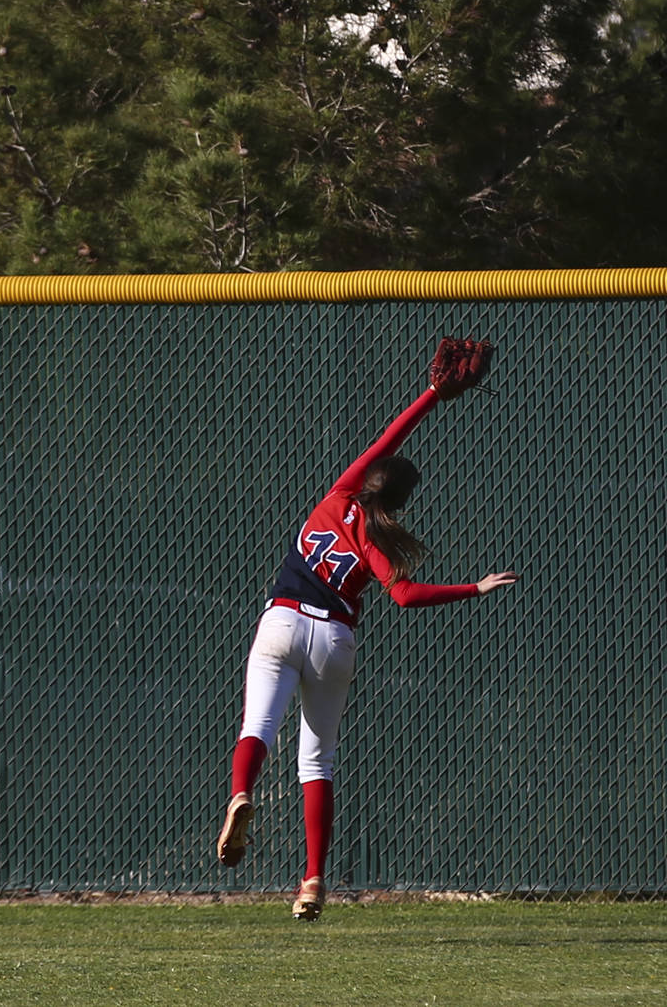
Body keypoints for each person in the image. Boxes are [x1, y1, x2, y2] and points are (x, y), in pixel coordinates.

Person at [216, 369, 518, 921]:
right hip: (334, 640)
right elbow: (402, 596)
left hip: (282, 621)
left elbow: (389, 439)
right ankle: (311, 881)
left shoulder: (339, 495)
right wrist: (474, 586)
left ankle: (240, 793)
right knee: (316, 761)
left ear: (369, 479)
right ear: (399, 504)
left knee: (256, 728)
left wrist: (430, 395)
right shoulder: (378, 539)